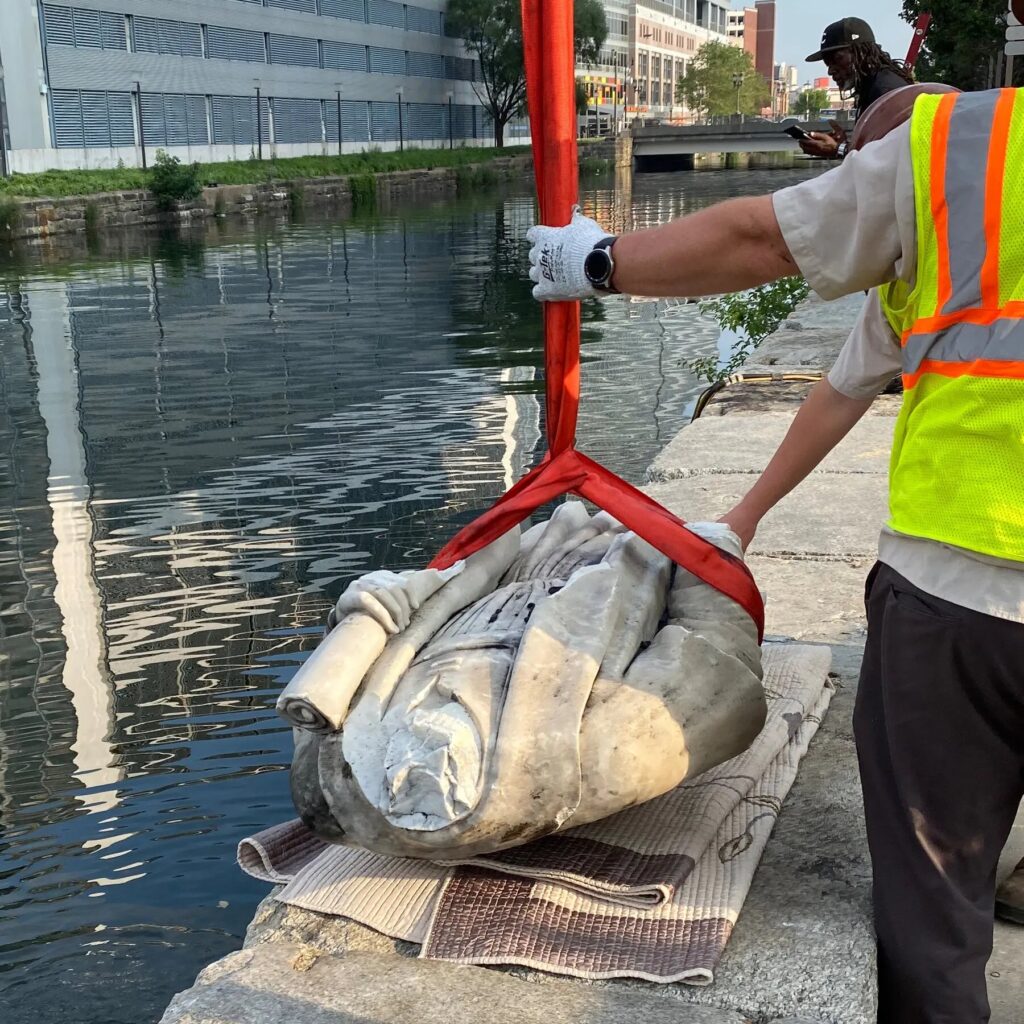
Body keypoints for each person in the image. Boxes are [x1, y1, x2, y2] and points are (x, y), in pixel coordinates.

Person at [526, 85, 1024, 1024]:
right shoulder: (948, 274)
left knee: (934, 906)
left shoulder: (968, 155)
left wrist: (594, 261)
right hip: (967, 594)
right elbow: (843, 387)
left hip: (967, 589)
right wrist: (745, 517)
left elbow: (759, 238)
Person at [800, 17, 913, 159]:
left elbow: (886, 158)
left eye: (837, 59)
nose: (830, 71)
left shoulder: (885, 91)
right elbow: (874, 148)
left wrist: (839, 149)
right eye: (827, 64)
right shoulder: (873, 86)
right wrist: (847, 144)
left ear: (862, 53)